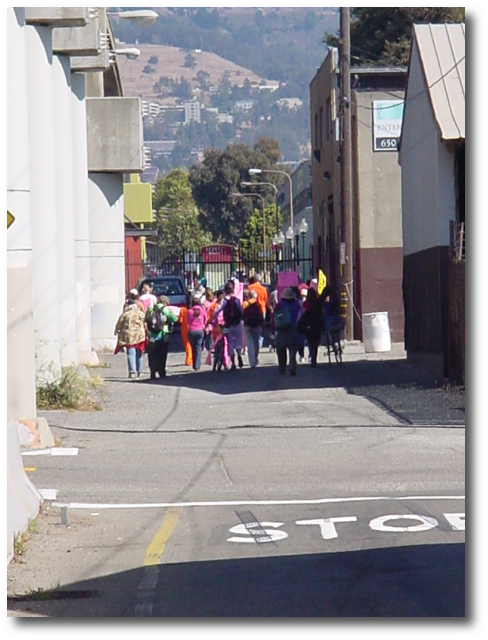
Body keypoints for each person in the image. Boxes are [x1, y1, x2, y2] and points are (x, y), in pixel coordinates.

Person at [209, 281, 244, 371]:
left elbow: (216, 310)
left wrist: (211, 320)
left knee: (229, 343)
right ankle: (239, 354)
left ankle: (233, 363)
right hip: (238, 324)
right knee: (238, 341)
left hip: (227, 325)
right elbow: (241, 312)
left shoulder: (224, 301)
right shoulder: (237, 299)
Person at [145, 296, 179, 380]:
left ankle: (152, 372)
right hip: (163, 335)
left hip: (151, 335)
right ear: (165, 302)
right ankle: (161, 372)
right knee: (162, 354)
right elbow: (174, 319)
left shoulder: (150, 308)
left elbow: (146, 319)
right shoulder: (166, 310)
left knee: (152, 354)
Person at [114, 291, 147, 379]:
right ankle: (140, 371)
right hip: (139, 336)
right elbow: (145, 322)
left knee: (131, 353)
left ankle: (132, 372)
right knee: (139, 353)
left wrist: (116, 330)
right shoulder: (140, 313)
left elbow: (119, 323)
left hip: (129, 336)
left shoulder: (125, 314)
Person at [273, 287, 301, 377]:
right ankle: (292, 367)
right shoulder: (296, 304)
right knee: (292, 350)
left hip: (281, 329)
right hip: (292, 328)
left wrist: (273, 329)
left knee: (281, 350)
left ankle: (282, 368)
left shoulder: (280, 304)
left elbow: (274, 315)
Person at [297, 287, 325, 368]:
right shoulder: (318, 303)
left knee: (310, 342)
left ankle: (312, 357)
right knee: (315, 343)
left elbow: (304, 312)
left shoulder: (306, 303)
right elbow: (322, 311)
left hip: (309, 324)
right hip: (317, 323)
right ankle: (314, 359)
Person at [244, 290, 266, 369]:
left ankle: (252, 362)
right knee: (256, 342)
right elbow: (261, 317)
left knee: (249, 344)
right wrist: (263, 328)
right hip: (256, 325)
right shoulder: (258, 305)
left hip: (247, 326)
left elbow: (243, 315)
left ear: (249, 296)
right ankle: (255, 358)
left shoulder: (245, 304)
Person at [187, 296, 208, 372]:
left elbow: (188, 322)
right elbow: (206, 320)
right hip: (200, 330)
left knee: (193, 348)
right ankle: (197, 365)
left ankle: (194, 364)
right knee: (198, 347)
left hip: (192, 331)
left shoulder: (189, 311)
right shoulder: (202, 311)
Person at [248, 275, 269, 349]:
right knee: (261, 327)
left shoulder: (249, 287)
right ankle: (259, 343)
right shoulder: (263, 289)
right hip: (262, 309)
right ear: (260, 281)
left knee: (251, 326)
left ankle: (253, 342)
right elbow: (266, 300)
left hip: (250, 308)